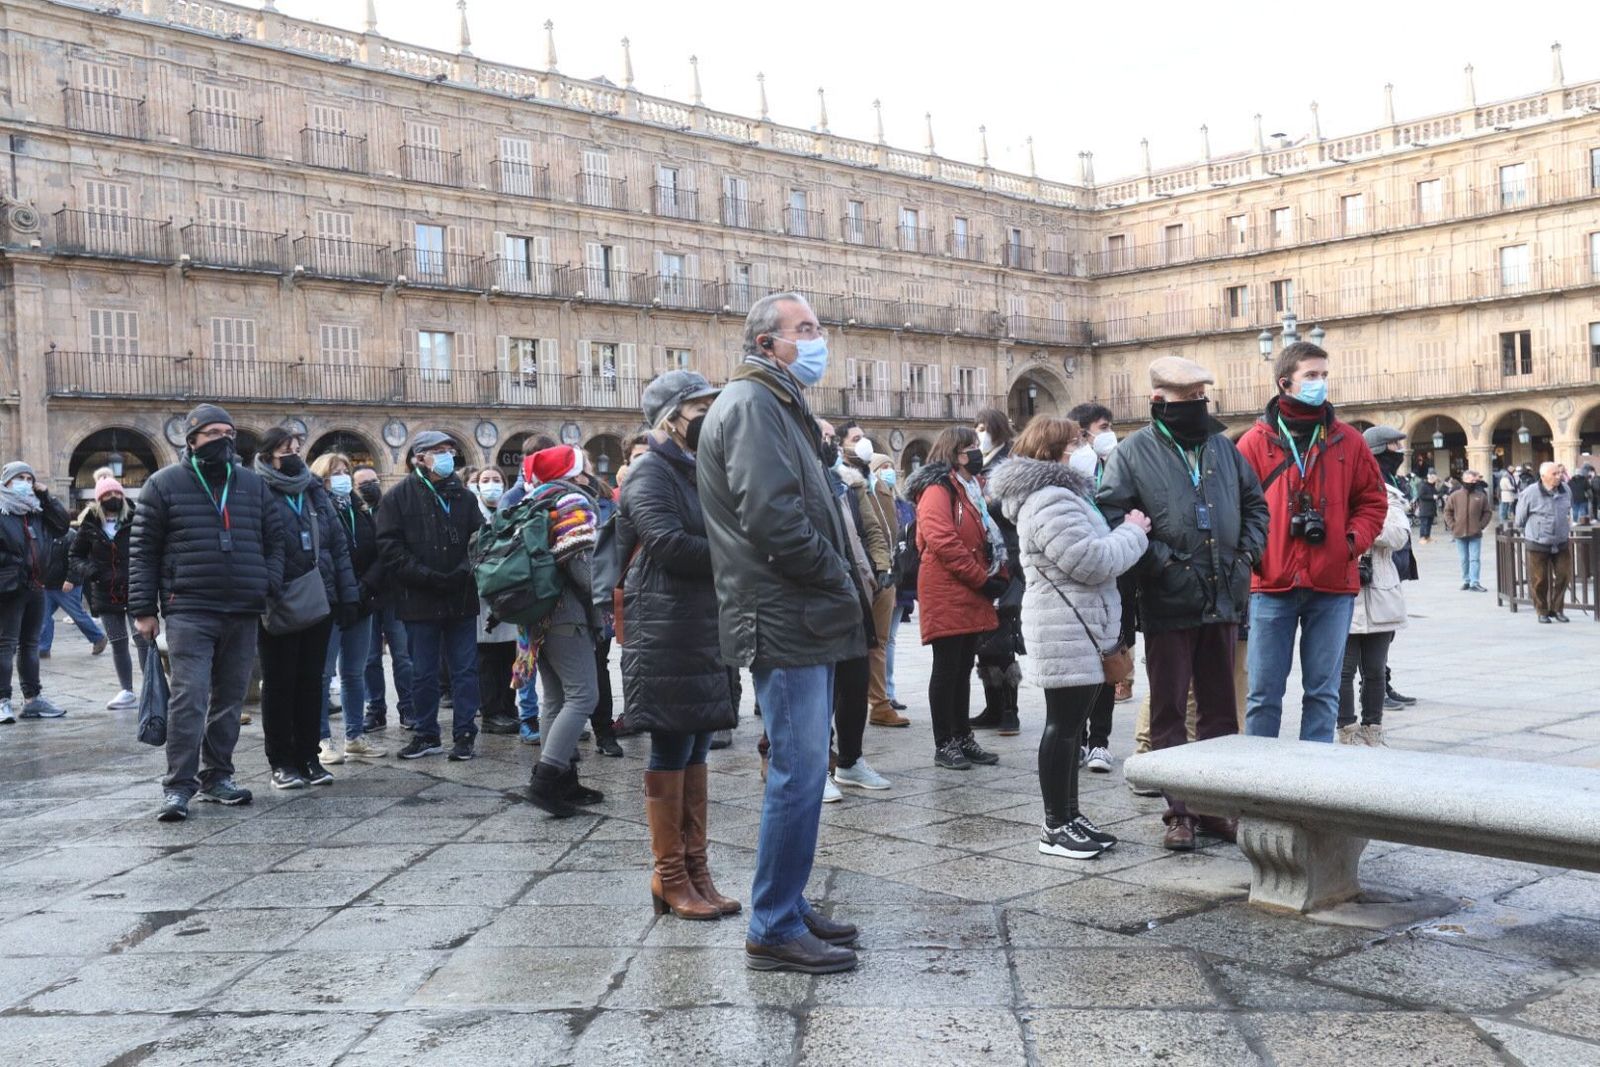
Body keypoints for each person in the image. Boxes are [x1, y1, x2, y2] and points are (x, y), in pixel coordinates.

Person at [698, 291, 866, 975]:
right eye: (805, 329)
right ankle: (771, 923)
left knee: (803, 768)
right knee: (797, 775)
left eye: (819, 327)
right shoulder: (752, 407)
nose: (818, 339)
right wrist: (838, 577)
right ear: (767, 343)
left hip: (798, 609)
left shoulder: (777, 404)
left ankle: (788, 906)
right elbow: (774, 520)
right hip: (784, 611)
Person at [1099, 356, 1268, 849]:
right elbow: (1112, 513)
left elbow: (1255, 503)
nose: (1197, 408)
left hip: (1224, 594)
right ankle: (1180, 813)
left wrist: (1248, 552)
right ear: (1159, 402)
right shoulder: (1132, 453)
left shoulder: (1222, 447)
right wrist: (1162, 564)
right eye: (1185, 401)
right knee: (1169, 710)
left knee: (1220, 711)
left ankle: (1216, 807)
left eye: (1200, 399)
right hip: (1168, 598)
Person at [990, 417, 1148, 861]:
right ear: (1056, 448)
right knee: (1062, 728)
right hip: (1066, 629)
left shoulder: (1059, 496)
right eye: (1078, 440)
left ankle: (1070, 816)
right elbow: (1091, 561)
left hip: (1074, 627)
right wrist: (1134, 531)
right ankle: (1055, 824)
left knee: (1071, 727)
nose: (1086, 446)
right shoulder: (1049, 499)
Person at [619, 370, 740, 920]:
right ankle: (670, 875)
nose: (709, 415)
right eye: (700, 407)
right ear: (672, 416)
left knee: (695, 746)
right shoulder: (649, 472)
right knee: (672, 746)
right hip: (665, 625)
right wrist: (734, 549)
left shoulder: (696, 470)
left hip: (698, 622)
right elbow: (667, 544)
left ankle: (696, 869)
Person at [130, 403, 285, 821]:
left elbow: (276, 540)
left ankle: (217, 776)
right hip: (189, 608)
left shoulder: (252, 485)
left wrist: (266, 581)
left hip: (243, 608)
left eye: (228, 432)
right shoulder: (163, 484)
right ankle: (179, 786)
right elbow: (143, 551)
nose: (223, 439)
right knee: (190, 698)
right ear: (192, 439)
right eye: (213, 432)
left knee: (230, 700)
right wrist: (144, 609)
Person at [1237, 342, 1387, 744]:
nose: (1320, 383)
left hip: (1332, 584)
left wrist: (1350, 542)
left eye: (1324, 375)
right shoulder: (1254, 442)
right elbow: (1236, 506)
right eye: (1311, 376)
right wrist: (1255, 553)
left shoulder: (1348, 441)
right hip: (1271, 583)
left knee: (1323, 693)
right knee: (1263, 695)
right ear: (1285, 383)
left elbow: (1373, 500)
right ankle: (1259, 779)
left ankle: (1311, 784)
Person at [254, 428, 359, 789]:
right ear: (268, 456)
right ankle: (281, 761)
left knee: (311, 682)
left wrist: (347, 595)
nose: (294, 455)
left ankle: (309, 757)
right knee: (279, 683)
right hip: (278, 599)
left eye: (298, 449)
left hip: (319, 596)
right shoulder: (257, 491)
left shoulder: (313, 490)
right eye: (287, 450)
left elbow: (337, 545)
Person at [375, 431, 484, 761]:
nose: (448, 455)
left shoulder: (463, 497)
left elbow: (480, 539)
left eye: (450, 450)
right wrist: (427, 577)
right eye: (439, 451)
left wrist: (463, 570)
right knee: (422, 671)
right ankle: (426, 733)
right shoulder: (396, 498)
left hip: (460, 596)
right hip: (419, 599)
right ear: (419, 458)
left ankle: (465, 732)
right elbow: (390, 547)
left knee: (465, 668)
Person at [903, 426, 1006, 771]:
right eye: (971, 447)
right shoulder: (937, 488)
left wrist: (993, 575)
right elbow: (942, 539)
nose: (977, 451)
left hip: (969, 588)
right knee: (947, 667)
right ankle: (944, 742)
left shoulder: (970, 487)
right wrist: (981, 578)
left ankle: (962, 737)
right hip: (948, 587)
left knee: (962, 667)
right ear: (955, 453)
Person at [520, 445, 608, 816]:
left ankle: (564, 781)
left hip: (538, 614)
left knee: (555, 699)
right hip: (566, 612)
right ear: (573, 470)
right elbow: (580, 563)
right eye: (584, 463)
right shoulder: (572, 500)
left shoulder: (535, 498)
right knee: (582, 697)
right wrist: (608, 592)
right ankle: (545, 781)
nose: (590, 468)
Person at [1338, 427, 1413, 747]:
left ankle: (1373, 729)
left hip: (1380, 588)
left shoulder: (1389, 494)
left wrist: (1366, 522)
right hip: (1345, 589)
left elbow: (1398, 536)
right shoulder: (1340, 491)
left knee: (1375, 670)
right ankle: (1346, 730)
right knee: (1342, 671)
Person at [826, 420, 888, 796]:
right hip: (820, 594)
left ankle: (850, 761)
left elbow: (871, 529)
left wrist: (878, 569)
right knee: (818, 688)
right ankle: (817, 766)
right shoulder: (797, 481)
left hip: (854, 588)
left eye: (832, 439)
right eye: (823, 438)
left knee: (855, 677)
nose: (829, 445)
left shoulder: (850, 483)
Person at [311, 453, 386, 762]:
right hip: (330, 603)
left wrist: (365, 586)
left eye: (345, 472)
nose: (341, 478)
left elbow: (378, 551)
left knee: (354, 672)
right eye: (334, 473)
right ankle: (321, 739)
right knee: (323, 674)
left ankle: (355, 735)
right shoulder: (316, 509)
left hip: (361, 601)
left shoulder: (359, 509)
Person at [0, 461, 71, 724]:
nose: (25, 483)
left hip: (36, 586)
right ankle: (2, 700)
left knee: (30, 643)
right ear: (6, 482)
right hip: (8, 587)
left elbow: (63, 524)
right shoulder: (2, 510)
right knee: (5, 644)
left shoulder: (37, 511)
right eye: (19, 478)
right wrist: (14, 566)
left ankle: (32, 699)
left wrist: (45, 495)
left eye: (29, 478)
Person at [499, 433, 557, 745]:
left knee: (555, 658)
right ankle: (528, 718)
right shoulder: (513, 497)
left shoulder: (559, 491)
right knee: (527, 658)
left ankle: (555, 717)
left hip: (553, 587)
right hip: (526, 588)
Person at [68, 476, 146, 711]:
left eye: (117, 493)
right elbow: (75, 556)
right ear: (99, 499)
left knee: (143, 640)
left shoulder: (136, 519)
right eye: (108, 495)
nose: (114, 498)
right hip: (105, 591)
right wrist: (92, 572)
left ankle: (153, 688)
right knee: (118, 642)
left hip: (135, 589)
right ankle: (127, 691)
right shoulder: (90, 524)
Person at [969, 407, 1024, 736]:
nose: (979, 432)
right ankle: (992, 705)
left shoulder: (1009, 463)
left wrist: (983, 503)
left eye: (983, 426)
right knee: (984, 634)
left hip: (1006, 555)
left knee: (1002, 635)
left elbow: (1009, 509)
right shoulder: (982, 461)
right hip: (985, 556)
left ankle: (1009, 710)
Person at [353, 466, 413, 735]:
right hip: (366, 594)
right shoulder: (353, 514)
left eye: (374, 481)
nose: (370, 487)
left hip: (393, 593)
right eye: (363, 484)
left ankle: (408, 708)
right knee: (369, 658)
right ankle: (375, 710)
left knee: (402, 656)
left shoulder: (392, 510)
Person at [468, 466, 522, 736]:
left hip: (508, 591)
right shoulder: (474, 512)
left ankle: (507, 706)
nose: (492, 485)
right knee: (487, 654)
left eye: (496, 480)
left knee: (507, 653)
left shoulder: (508, 510)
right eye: (485, 480)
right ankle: (491, 711)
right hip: (482, 591)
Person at [863, 452, 908, 728]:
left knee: (880, 642)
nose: (889, 471)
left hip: (886, 574)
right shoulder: (854, 488)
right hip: (862, 573)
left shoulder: (885, 492)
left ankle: (880, 703)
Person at [1516, 461, 1573, 624]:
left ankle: (1557, 609)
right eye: (1554, 474)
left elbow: (1570, 508)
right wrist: (1532, 531)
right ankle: (1542, 610)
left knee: (1563, 576)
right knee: (1539, 579)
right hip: (1537, 542)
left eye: (1559, 473)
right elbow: (1520, 518)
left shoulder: (1566, 489)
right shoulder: (1530, 493)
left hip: (1561, 541)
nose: (1559, 476)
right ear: (1543, 476)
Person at [1442, 469, 1493, 592]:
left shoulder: (1481, 496)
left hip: (1475, 532)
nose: (1474, 482)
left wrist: (1481, 525)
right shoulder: (1455, 496)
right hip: (1459, 532)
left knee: (1475, 558)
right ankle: (1466, 580)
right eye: (1471, 480)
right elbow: (1447, 511)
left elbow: (1487, 512)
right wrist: (1453, 525)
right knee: (1464, 559)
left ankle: (1474, 582)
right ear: (1464, 480)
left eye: (1475, 480)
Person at [1413, 473, 1440, 542]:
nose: (1435, 480)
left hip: (1431, 508)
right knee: (1424, 523)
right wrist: (1432, 497)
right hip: (1425, 508)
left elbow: (1437, 493)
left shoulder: (1433, 486)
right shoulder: (1423, 486)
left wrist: (1437, 487)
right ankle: (1422, 537)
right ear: (1430, 478)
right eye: (1434, 478)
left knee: (1429, 524)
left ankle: (1427, 536)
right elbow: (1421, 496)